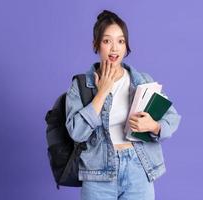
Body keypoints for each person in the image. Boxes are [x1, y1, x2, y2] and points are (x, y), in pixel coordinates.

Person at [65, 9, 181, 200]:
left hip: (138, 170)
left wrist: (153, 126)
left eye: (120, 41)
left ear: (126, 46)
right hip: (98, 175)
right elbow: (76, 132)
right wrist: (102, 92)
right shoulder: (81, 85)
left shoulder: (142, 80)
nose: (114, 48)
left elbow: (172, 117)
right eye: (106, 41)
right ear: (96, 45)